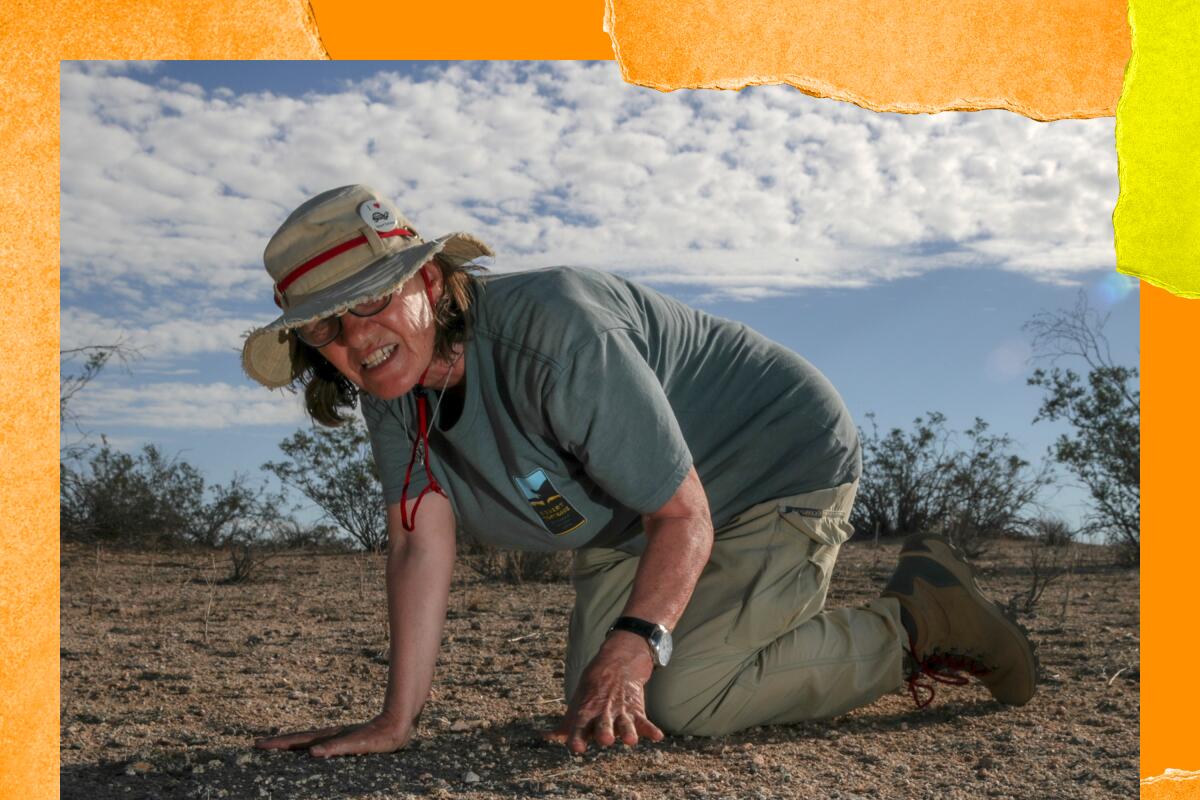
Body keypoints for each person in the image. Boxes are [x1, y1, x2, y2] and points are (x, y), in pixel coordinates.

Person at [244, 185, 1036, 758]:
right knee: (602, 702)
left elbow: (685, 515)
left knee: (683, 697)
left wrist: (638, 642)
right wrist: (395, 720)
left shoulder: (556, 333)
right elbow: (420, 545)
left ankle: (920, 622)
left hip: (768, 461)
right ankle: (723, 632)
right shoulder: (392, 387)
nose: (356, 339)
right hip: (636, 513)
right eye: (325, 330)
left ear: (425, 281)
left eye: (371, 302)